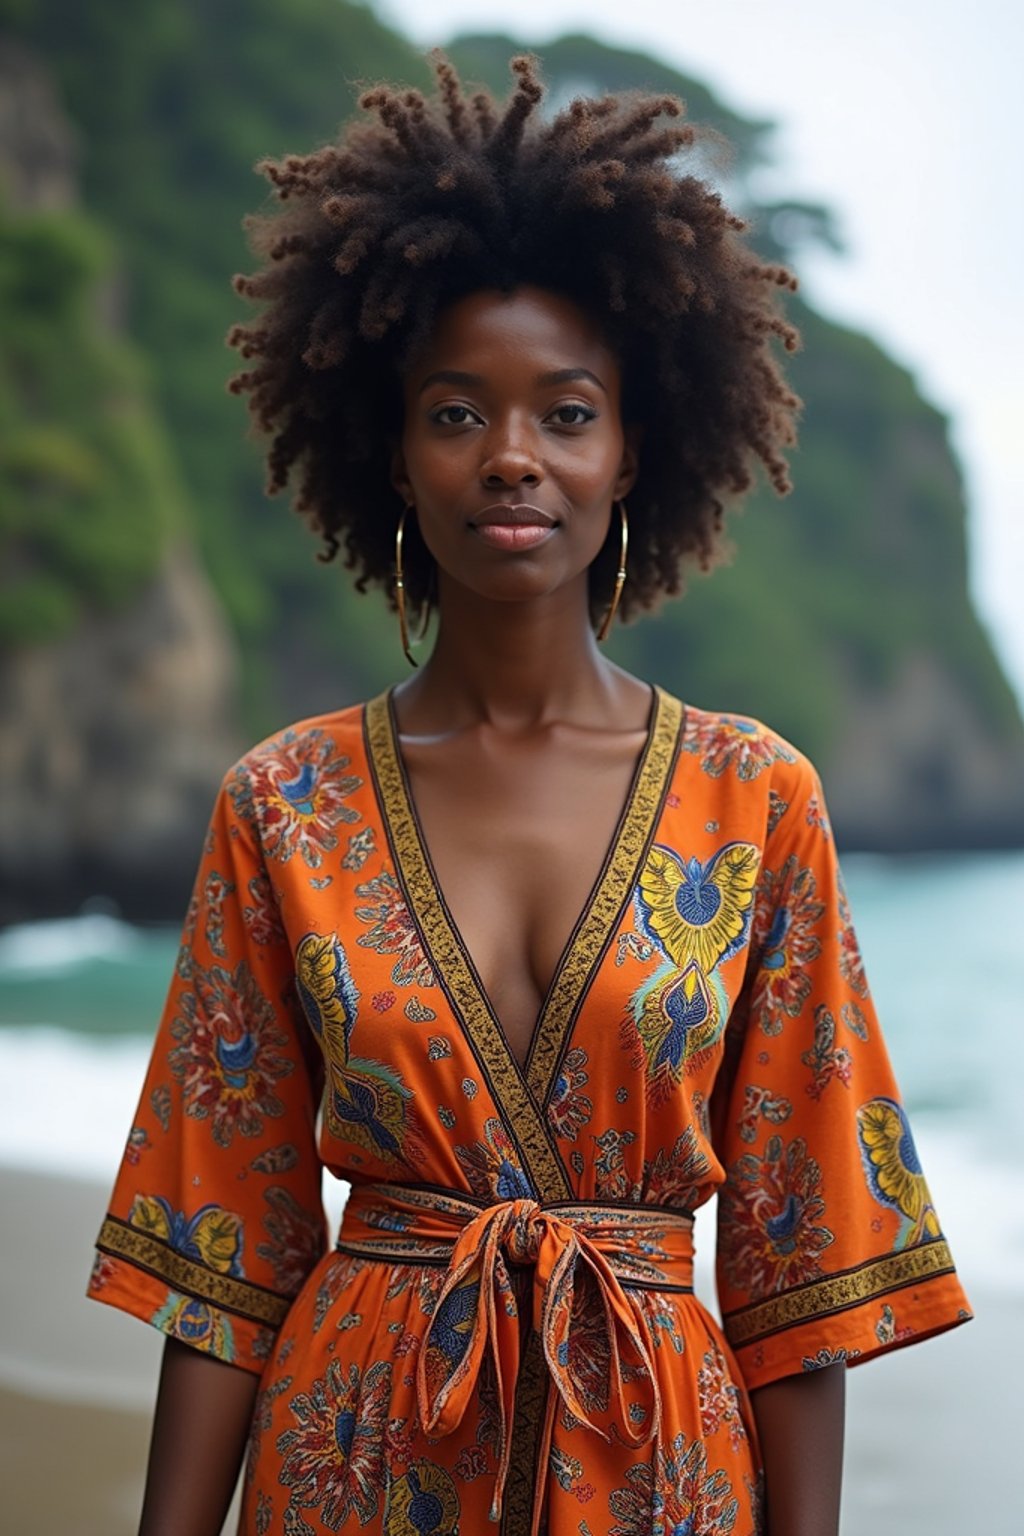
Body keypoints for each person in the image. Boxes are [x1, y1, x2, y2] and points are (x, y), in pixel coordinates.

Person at [88, 53, 972, 1536]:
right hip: (350, 1468)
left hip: (659, 1479)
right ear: (392, 448)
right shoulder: (283, 804)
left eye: (567, 413)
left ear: (635, 450)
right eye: (457, 412)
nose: (514, 457)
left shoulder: (757, 800)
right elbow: (223, 1253)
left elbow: (800, 1268)